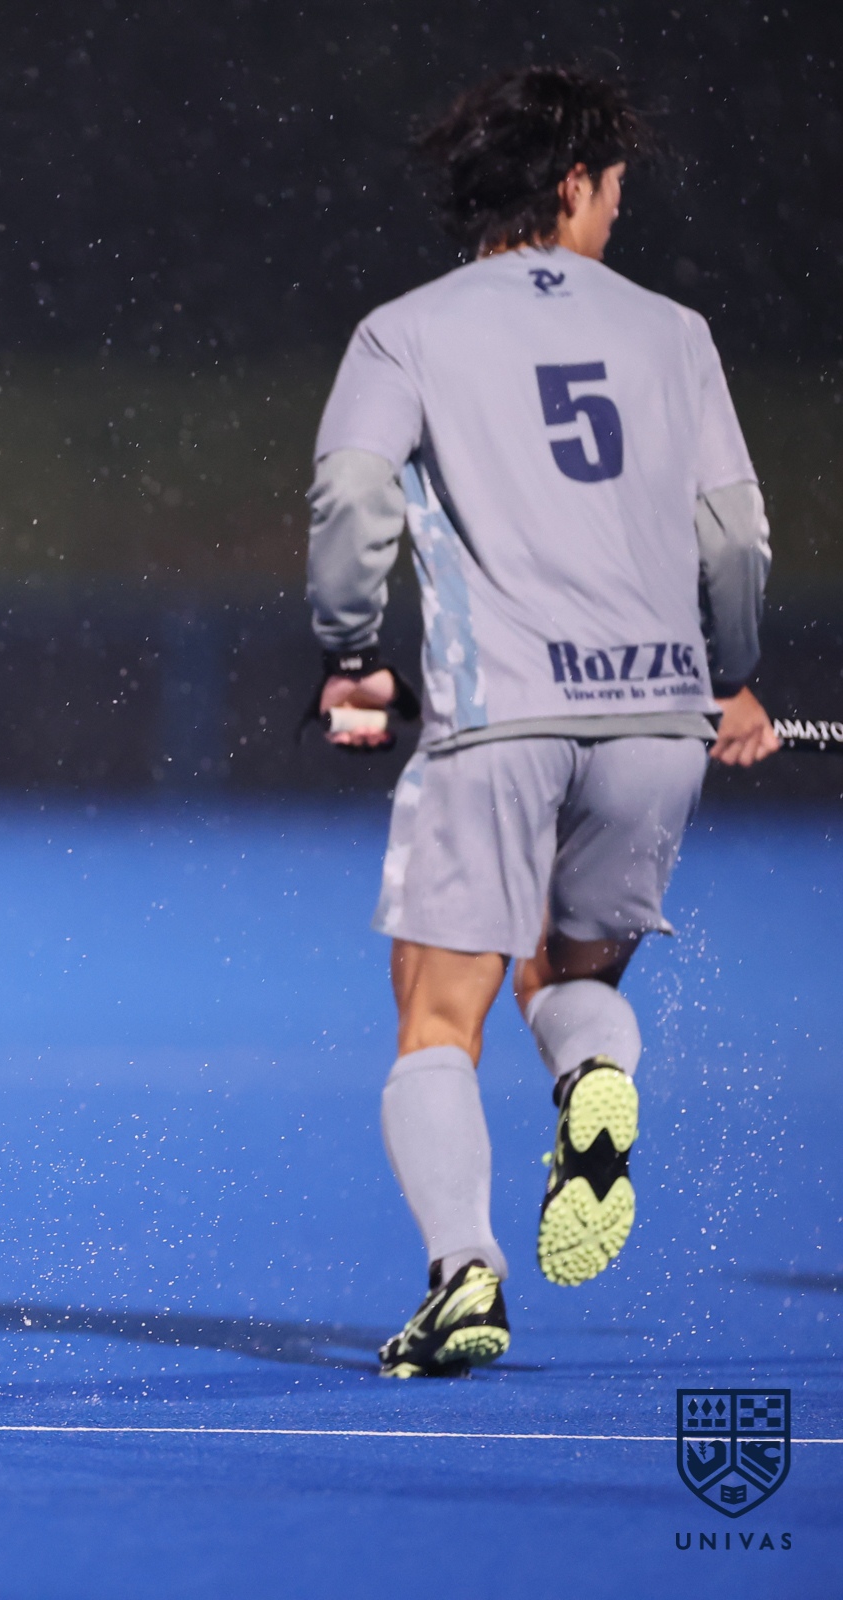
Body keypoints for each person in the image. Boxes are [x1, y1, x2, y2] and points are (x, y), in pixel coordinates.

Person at [305, 67, 778, 1378]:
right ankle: (593, 1079)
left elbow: (352, 498)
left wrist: (351, 655)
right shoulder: (675, 332)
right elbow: (735, 533)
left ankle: (464, 1274)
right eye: (613, 190)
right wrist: (731, 675)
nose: (616, 214)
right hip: (658, 723)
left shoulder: (405, 330)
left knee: (436, 1015)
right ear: (570, 186)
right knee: (567, 977)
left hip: (498, 720)